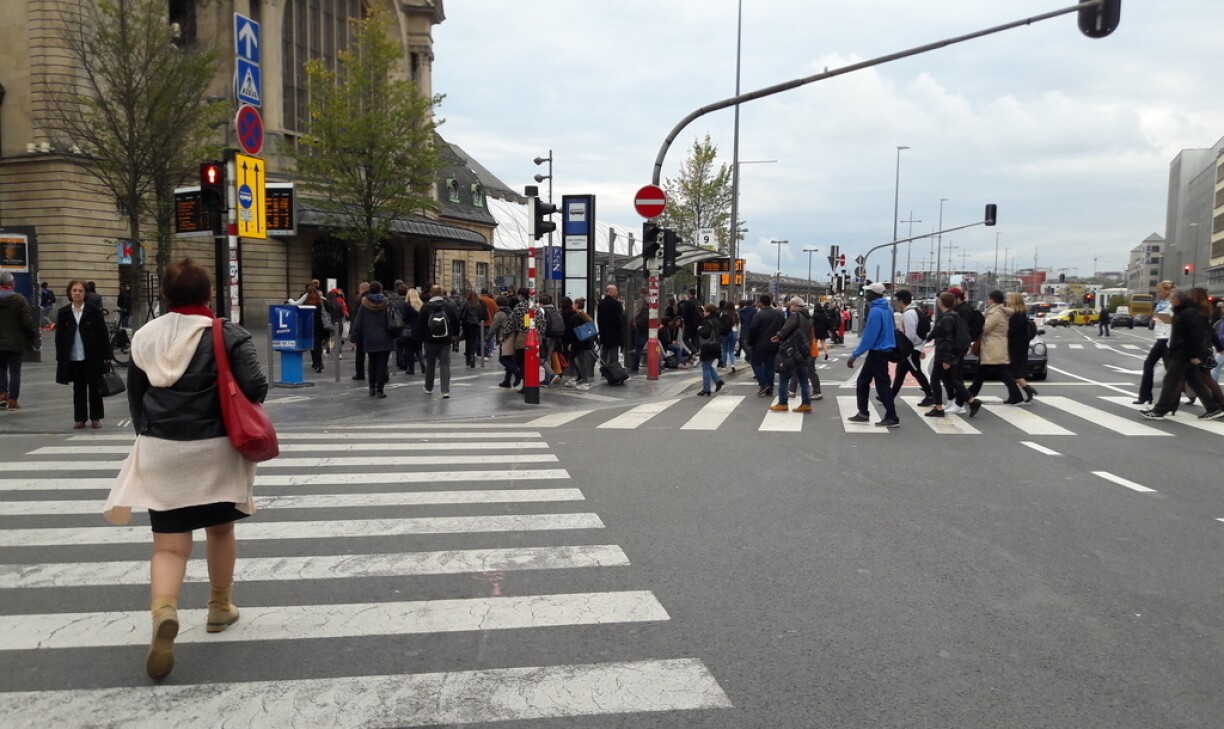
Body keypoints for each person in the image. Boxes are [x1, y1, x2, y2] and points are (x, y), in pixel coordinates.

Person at [103, 258, 268, 681]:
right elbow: (256, 387)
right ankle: (218, 607)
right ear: (208, 294)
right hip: (216, 448)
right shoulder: (227, 333)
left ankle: (164, 610)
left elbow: (136, 399)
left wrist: (151, 434)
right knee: (220, 530)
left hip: (163, 449)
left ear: (165, 296)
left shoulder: (144, 338)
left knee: (168, 547)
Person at [1142, 289, 1222, 420]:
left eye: (1171, 299)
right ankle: (1213, 408)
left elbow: (1195, 336)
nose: (1170, 302)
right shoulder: (1185, 312)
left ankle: (1159, 410)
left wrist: (1193, 355)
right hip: (1185, 352)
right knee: (1195, 381)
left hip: (1183, 353)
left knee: (1170, 380)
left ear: (1177, 300)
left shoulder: (1187, 313)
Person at [54, 279, 113, 427]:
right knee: (78, 388)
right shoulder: (64, 312)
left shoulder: (93, 311)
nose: (77, 293)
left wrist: (107, 354)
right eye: (74, 290)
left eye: (80, 291)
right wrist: (60, 356)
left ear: (85, 293)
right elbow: (59, 336)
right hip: (74, 356)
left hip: (92, 355)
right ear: (70, 293)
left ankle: (96, 418)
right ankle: (80, 418)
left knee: (94, 388)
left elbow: (103, 333)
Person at [847, 282, 899, 428]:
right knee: (863, 381)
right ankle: (863, 412)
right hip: (885, 349)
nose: (867, 295)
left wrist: (855, 355)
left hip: (877, 351)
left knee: (882, 385)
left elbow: (869, 337)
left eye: (869, 292)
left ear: (875, 294)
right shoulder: (887, 308)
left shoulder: (875, 311)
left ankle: (892, 416)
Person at [924, 292, 982, 418]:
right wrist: (928, 338)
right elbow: (939, 332)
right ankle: (972, 401)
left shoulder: (946, 319)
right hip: (954, 353)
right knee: (952, 379)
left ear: (941, 303)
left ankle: (938, 408)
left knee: (935, 380)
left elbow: (947, 340)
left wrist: (946, 359)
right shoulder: (953, 315)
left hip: (944, 354)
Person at [968, 290, 1025, 405]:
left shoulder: (995, 312)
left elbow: (985, 328)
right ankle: (969, 395)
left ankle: (968, 395)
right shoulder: (999, 310)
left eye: (988, 298)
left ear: (992, 299)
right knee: (984, 372)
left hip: (992, 345)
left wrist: (974, 326)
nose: (987, 300)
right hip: (995, 345)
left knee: (1000, 372)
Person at [348, 281, 395, 398]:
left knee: (371, 363)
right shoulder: (387, 303)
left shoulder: (364, 304)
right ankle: (380, 390)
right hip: (385, 337)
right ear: (380, 290)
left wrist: (353, 336)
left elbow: (358, 322)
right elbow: (393, 319)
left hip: (369, 337)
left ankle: (371, 388)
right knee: (382, 364)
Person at [888, 289, 934, 405]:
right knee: (900, 373)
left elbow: (910, 335)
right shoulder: (915, 311)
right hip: (913, 348)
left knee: (917, 372)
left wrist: (906, 348)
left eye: (897, 301)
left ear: (901, 301)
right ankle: (890, 396)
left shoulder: (908, 314)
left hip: (910, 350)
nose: (896, 304)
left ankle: (930, 395)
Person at [0, 272, 38, 410]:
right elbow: (27, 321)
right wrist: (31, 337)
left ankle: (2, 395)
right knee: (15, 371)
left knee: (1, 369)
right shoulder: (19, 299)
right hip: (16, 342)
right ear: (11, 284)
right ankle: (13, 401)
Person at [769, 297, 814, 412]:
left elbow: (786, 329)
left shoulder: (795, 316)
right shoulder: (808, 317)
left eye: (791, 305)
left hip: (793, 351)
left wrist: (778, 336)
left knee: (784, 376)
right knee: (803, 379)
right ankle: (806, 403)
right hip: (804, 351)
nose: (789, 307)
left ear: (794, 305)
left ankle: (783, 402)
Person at [417, 285, 461, 397]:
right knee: (445, 364)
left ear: (431, 294)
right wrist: (455, 335)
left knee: (430, 364)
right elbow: (456, 321)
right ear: (441, 294)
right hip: (446, 340)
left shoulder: (426, 307)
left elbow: (420, 324)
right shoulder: (449, 306)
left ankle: (428, 387)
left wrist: (421, 338)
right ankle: (445, 390)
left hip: (430, 340)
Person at [1135, 280, 1174, 406]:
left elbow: (1171, 323)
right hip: (1160, 337)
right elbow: (1161, 320)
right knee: (1154, 366)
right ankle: (1145, 395)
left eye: (1161, 291)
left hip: (1166, 339)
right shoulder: (1161, 303)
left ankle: (1150, 397)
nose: (1159, 294)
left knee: (1170, 371)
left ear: (1167, 291)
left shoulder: (1171, 304)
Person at [1006, 292, 1039, 403]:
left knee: (1011, 371)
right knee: (1013, 370)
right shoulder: (1022, 313)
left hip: (1015, 345)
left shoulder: (1016, 315)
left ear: (1014, 300)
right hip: (1020, 344)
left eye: (1009, 299)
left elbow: (1010, 331)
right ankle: (1025, 390)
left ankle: (1024, 390)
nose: (1007, 300)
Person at [748, 294, 783, 397]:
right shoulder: (778, 314)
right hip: (774, 344)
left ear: (760, 303)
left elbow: (753, 329)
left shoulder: (759, 315)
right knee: (770, 366)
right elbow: (783, 327)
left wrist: (750, 342)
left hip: (759, 344)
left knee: (756, 364)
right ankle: (770, 389)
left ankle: (763, 384)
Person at [562, 296, 594, 390]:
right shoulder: (583, 315)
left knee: (573, 359)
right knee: (580, 361)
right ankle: (584, 381)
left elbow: (574, 331)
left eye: (573, 304)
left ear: (576, 305)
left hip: (577, 343)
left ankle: (577, 380)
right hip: (583, 342)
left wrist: (571, 343)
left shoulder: (576, 317)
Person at [695, 304, 726, 396]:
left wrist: (700, 329)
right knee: (707, 366)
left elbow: (706, 334)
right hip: (716, 345)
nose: (703, 312)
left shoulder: (707, 321)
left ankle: (706, 389)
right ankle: (718, 380)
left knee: (705, 368)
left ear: (709, 312)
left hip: (708, 346)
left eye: (705, 311)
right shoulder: (716, 320)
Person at [596, 284, 625, 367]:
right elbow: (619, 319)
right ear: (610, 291)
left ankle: (603, 367)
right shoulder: (616, 304)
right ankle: (614, 368)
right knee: (614, 352)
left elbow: (599, 318)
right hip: (614, 332)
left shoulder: (601, 303)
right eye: (615, 291)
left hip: (604, 331)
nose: (617, 292)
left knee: (604, 351)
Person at [302, 285, 327, 373]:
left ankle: (317, 363)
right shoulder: (320, 301)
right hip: (320, 326)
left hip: (310, 326)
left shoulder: (306, 302)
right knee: (317, 345)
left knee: (313, 345)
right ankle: (317, 362)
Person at [351, 281, 370, 381]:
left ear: (362, 289)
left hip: (362, 331)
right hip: (373, 331)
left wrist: (353, 334)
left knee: (360, 354)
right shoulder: (377, 298)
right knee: (374, 355)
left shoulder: (359, 299)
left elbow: (356, 317)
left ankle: (360, 374)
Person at [678, 288, 702, 358]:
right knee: (694, 338)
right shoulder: (698, 302)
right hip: (697, 324)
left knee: (685, 338)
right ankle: (694, 354)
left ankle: (693, 351)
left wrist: (683, 320)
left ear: (689, 294)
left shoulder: (688, 302)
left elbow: (684, 313)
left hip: (689, 323)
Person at [718, 300, 739, 373]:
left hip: (726, 333)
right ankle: (732, 365)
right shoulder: (736, 314)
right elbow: (738, 325)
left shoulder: (722, 314)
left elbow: (720, 325)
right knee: (731, 350)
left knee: (724, 350)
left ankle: (724, 366)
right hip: (734, 332)